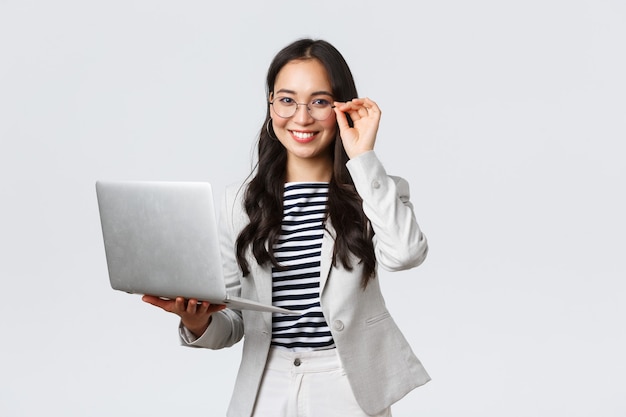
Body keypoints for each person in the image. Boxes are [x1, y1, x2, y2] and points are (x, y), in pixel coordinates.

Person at [142, 38, 430, 417]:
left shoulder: (376, 190)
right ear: (271, 105)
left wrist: (363, 158)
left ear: (344, 107)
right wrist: (196, 321)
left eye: (320, 101)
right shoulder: (239, 202)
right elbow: (232, 322)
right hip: (267, 383)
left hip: (347, 383)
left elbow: (406, 253)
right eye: (287, 100)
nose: (302, 116)